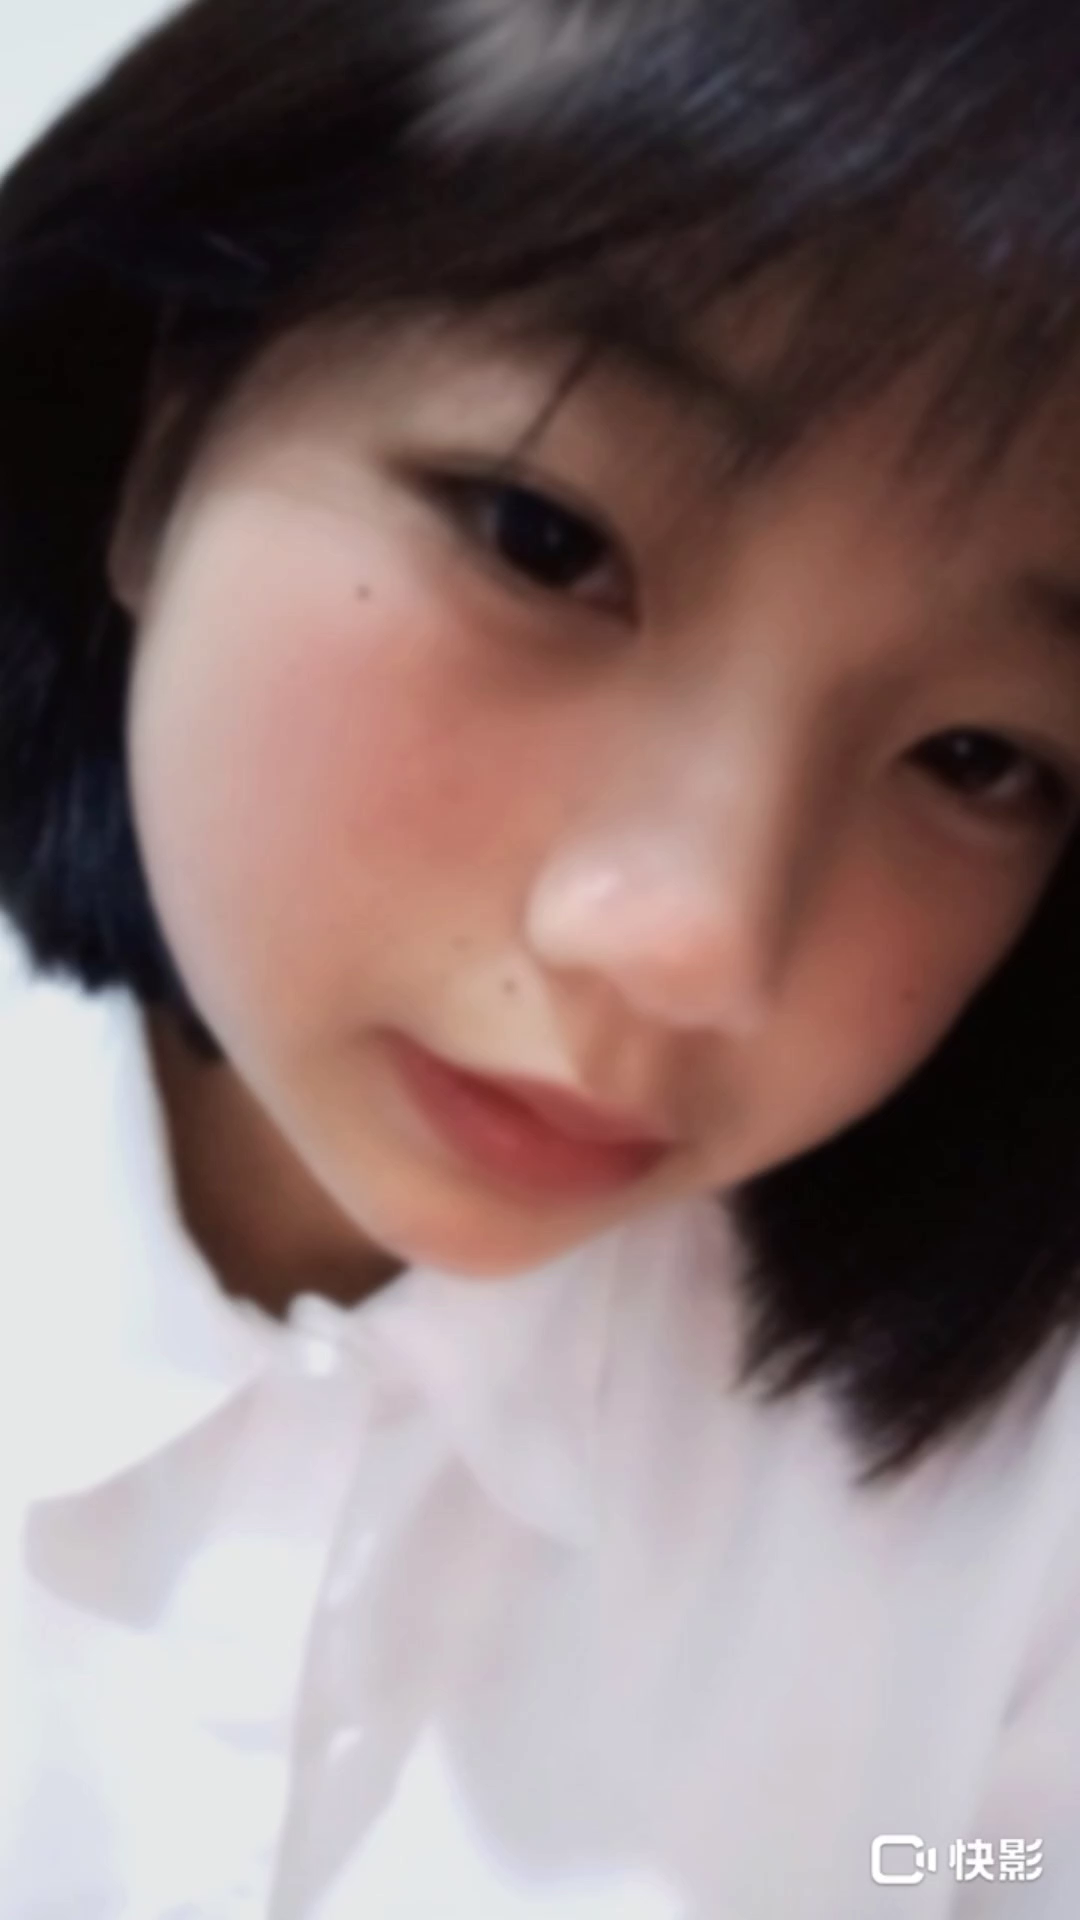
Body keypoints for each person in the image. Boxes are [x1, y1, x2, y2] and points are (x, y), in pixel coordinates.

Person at [2, 0, 1080, 1912]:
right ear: (171, 439)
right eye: (543, 538)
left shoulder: (1020, 1505)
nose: (693, 948)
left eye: (977, 758)